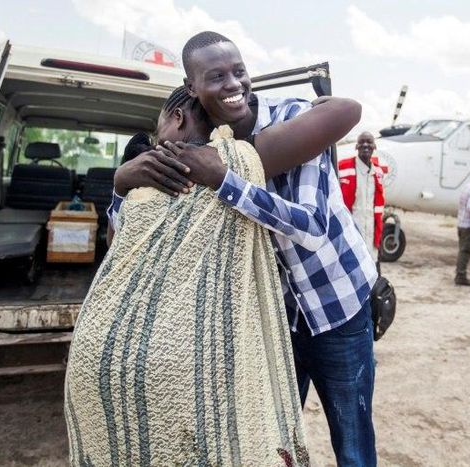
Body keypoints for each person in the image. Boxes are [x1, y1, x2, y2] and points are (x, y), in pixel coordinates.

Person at [65, 85, 364, 465]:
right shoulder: (240, 159)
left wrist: (124, 183)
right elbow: (346, 112)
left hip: (331, 306)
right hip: (247, 333)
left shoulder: (174, 174)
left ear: (176, 118)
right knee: (295, 430)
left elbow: (117, 242)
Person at [123, 31, 379, 466]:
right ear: (192, 87)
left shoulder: (292, 121)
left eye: (239, 71)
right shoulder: (204, 149)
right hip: (275, 319)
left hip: (338, 306)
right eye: (216, 76)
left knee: (353, 443)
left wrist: (227, 181)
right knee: (273, 437)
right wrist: (125, 179)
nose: (233, 84)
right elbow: (144, 227)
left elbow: (313, 227)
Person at [338, 132, 385, 260]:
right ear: (356, 146)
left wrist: (378, 239)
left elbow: (379, 209)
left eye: (369, 142)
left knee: (371, 269)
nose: (365, 145)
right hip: (350, 232)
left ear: (374, 146)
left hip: (370, 233)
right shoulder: (342, 167)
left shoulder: (378, 173)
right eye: (362, 142)